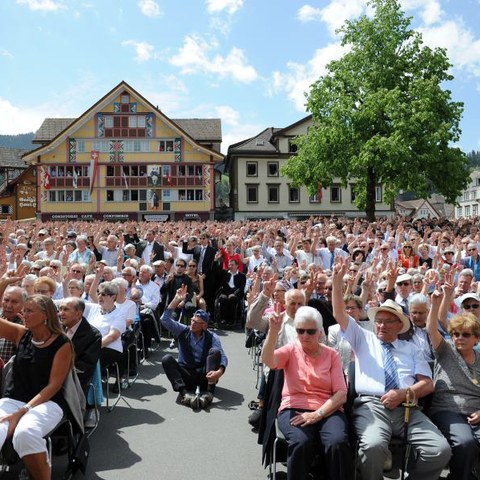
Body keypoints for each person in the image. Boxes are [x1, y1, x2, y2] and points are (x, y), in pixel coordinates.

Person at [331, 259, 451, 480]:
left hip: (407, 408)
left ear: (399, 325)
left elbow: (427, 383)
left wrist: (403, 393)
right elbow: (339, 314)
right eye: (378, 321)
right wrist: (337, 283)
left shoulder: (411, 348)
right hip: (372, 406)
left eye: (388, 321)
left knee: (439, 450)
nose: (381, 325)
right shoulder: (363, 338)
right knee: (372, 447)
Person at [261, 305, 353, 480]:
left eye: (310, 331)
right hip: (294, 407)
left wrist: (317, 414)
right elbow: (268, 360)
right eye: (300, 331)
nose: (304, 336)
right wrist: (273, 331)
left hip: (327, 409)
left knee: (337, 442)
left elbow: (341, 393)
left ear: (320, 332)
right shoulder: (291, 350)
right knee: (301, 442)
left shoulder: (331, 354)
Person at [0, 295, 73, 480]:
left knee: (25, 433)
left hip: (48, 402)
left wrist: (22, 412)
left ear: (45, 315)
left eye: (30, 310)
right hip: (13, 399)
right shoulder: (21, 334)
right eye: (24, 310)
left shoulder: (63, 344)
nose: (24, 314)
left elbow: (54, 386)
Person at [427, 287, 480, 480]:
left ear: (476, 338)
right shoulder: (446, 349)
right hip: (448, 410)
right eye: (456, 334)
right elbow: (431, 329)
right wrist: (434, 303)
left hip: (476, 412)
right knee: (465, 442)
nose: (459, 338)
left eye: (466, 335)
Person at [161, 286, 228, 409]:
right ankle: (184, 394)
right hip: (186, 374)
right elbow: (164, 320)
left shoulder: (212, 337)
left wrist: (219, 372)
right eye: (192, 320)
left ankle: (209, 392)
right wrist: (176, 300)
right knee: (167, 359)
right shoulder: (183, 330)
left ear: (204, 326)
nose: (193, 323)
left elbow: (223, 356)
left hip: (205, 375)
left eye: (197, 322)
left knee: (215, 351)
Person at [58, 297, 102, 396]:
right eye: (60, 309)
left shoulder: (93, 335)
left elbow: (84, 367)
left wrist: (59, 376)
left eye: (65, 309)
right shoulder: (57, 329)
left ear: (78, 313)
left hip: (73, 381)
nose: (61, 313)